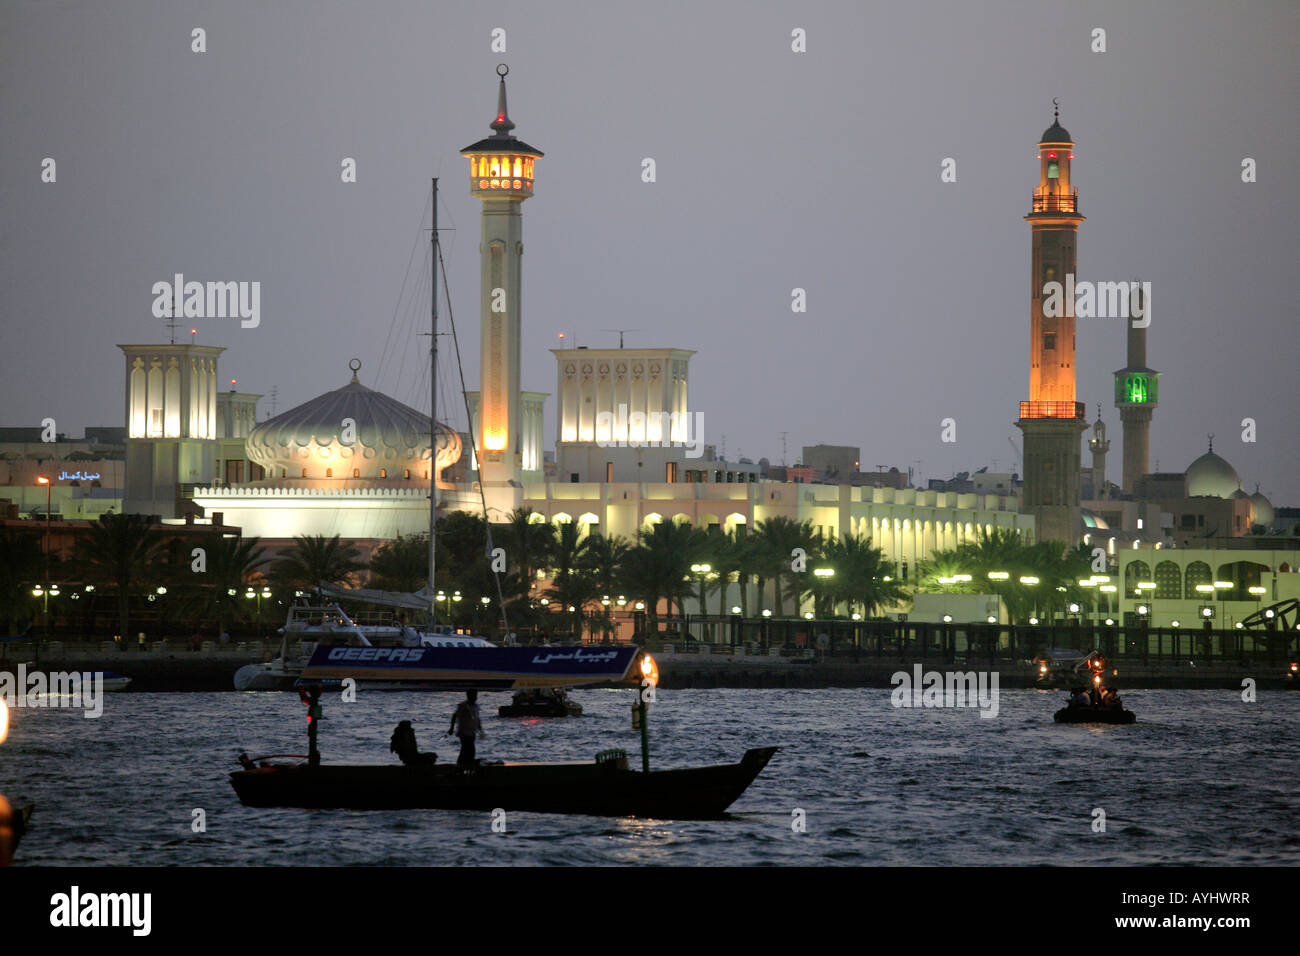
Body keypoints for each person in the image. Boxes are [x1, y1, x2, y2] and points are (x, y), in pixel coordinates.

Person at [448, 690, 485, 769]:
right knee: (468, 749)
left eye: (475, 695)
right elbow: (455, 716)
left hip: (472, 732)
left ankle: (465, 764)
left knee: (468, 750)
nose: (475, 697)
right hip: (464, 732)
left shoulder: (476, 706)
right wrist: (451, 728)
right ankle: (462, 765)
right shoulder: (463, 705)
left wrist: (480, 729)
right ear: (468, 696)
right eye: (473, 695)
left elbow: (477, 719)